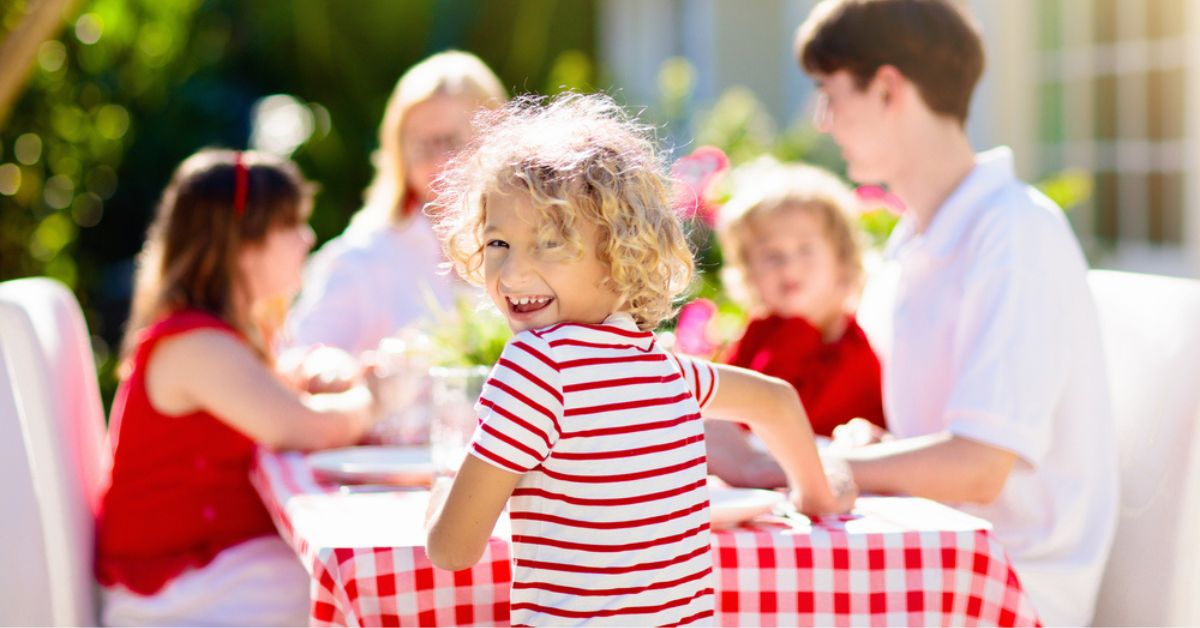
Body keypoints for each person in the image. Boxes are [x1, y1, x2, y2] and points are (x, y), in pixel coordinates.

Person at [423, 93, 855, 626]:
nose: (510, 274)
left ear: (619, 250)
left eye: (551, 243)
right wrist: (816, 495)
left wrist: (441, 492)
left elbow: (453, 549)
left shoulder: (536, 366)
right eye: (498, 243)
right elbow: (776, 402)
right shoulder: (665, 368)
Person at [792, 1, 1117, 624]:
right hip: (932, 555)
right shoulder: (917, 239)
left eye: (828, 93)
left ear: (887, 88)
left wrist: (800, 465)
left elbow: (978, 467)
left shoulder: (1015, 232)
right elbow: (936, 447)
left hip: (1011, 590)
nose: (823, 121)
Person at [95, 149, 378, 626]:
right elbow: (305, 429)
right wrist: (373, 398)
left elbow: (277, 388)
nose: (307, 239)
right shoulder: (195, 344)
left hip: (209, 567)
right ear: (244, 245)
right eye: (291, 226)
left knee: (342, 581)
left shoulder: (213, 335)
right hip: (175, 591)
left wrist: (316, 372)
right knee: (349, 593)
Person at [285, 50, 507, 355]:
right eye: (422, 145)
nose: (440, 161)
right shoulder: (364, 257)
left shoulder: (539, 241)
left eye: (452, 141)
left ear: (499, 137)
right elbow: (303, 354)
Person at [703, 161, 886, 488]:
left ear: (842, 260)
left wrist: (797, 330)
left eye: (805, 250)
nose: (789, 265)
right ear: (748, 271)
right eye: (770, 255)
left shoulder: (852, 349)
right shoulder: (760, 331)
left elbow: (787, 418)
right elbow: (726, 410)